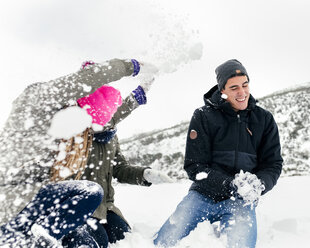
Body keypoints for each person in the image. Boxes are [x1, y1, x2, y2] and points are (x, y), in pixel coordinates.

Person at [0, 58, 152, 247]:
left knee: (95, 234)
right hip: (16, 202)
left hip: (47, 202)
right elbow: (87, 81)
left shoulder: (74, 126)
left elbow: (105, 121)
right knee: (89, 195)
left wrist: (137, 97)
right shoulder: (41, 100)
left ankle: (43, 237)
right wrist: (132, 66)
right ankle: (34, 241)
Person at [154, 59, 283, 248]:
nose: (242, 92)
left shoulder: (264, 119)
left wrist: (258, 185)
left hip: (241, 200)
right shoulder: (203, 116)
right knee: (163, 242)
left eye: (245, 85)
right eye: (234, 88)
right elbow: (194, 166)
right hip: (203, 195)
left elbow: (272, 164)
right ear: (222, 90)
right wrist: (230, 184)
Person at [61, 61, 173, 248]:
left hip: (107, 208)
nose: (106, 124)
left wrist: (144, 174)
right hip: (79, 209)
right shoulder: (71, 134)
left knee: (125, 238)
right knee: (97, 242)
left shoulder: (110, 134)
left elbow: (119, 168)